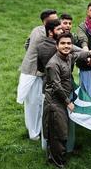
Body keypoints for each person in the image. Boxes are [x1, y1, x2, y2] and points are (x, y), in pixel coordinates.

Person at [42, 32, 91, 168]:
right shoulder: (53, 64)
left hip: (64, 98)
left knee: (60, 131)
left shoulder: (69, 56)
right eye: (63, 43)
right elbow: (56, 86)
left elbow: (80, 54)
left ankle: (54, 156)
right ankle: (57, 162)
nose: (66, 46)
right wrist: (68, 102)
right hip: (55, 101)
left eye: (68, 43)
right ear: (57, 45)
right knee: (58, 132)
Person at [17, 9, 57, 140]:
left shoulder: (36, 29)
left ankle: (35, 129)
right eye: (55, 19)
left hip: (32, 70)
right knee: (34, 104)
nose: (58, 22)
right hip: (33, 74)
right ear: (46, 22)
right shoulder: (45, 36)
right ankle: (34, 134)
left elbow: (26, 44)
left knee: (34, 103)